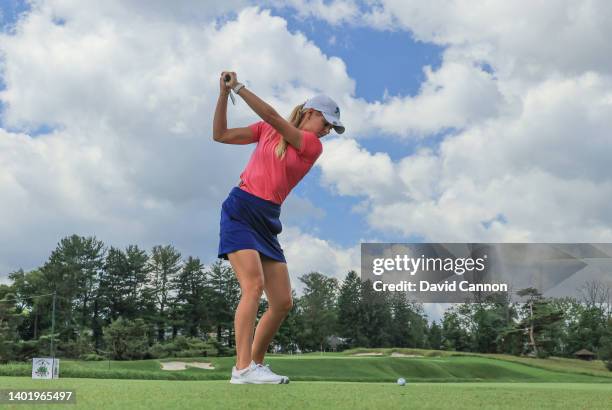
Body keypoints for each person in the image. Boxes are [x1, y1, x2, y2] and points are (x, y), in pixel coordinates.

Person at [213, 71, 345, 384]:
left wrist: (240, 88)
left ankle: (255, 365)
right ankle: (242, 369)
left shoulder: (311, 145)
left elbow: (273, 117)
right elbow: (220, 135)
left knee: (282, 301)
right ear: (310, 113)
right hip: (241, 209)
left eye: (331, 128)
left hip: (268, 219)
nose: (327, 131)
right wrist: (224, 94)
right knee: (253, 286)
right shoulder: (266, 131)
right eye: (325, 123)